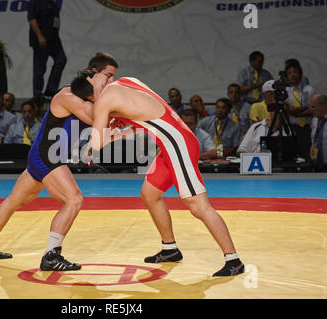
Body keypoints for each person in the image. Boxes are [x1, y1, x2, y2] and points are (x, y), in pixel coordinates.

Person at [71, 72, 245, 277]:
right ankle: (170, 248)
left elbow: (98, 142)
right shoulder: (129, 82)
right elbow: (142, 124)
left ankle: (233, 259)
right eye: (98, 77)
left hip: (177, 145)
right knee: (149, 194)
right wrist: (114, 131)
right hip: (170, 144)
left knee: (198, 206)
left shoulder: (104, 100)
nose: (105, 77)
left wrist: (91, 144)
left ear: (89, 98)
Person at [0, 52, 119, 272]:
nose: (112, 81)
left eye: (113, 77)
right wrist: (103, 92)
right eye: (108, 76)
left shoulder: (89, 97)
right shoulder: (68, 96)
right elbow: (97, 119)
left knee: (14, 201)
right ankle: (51, 256)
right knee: (74, 200)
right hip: (46, 156)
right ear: (94, 73)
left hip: (43, 156)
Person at [27, 0, 67, 101]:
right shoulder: (35, 2)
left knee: (61, 60)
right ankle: (37, 94)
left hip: (54, 39)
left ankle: (50, 91)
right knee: (40, 68)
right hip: (41, 39)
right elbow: (32, 19)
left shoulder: (53, 3)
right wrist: (40, 36)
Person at [284, 62, 314, 159]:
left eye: (295, 72)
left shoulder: (308, 89)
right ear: (287, 76)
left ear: (300, 74)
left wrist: (296, 113)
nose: (292, 74)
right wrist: (303, 108)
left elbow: (312, 109)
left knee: (307, 154)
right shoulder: (286, 91)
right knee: (292, 155)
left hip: (306, 127)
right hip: (292, 127)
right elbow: (288, 110)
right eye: (289, 73)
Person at [309, 93, 327, 171]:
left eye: (313, 107)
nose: (310, 110)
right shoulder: (314, 120)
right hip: (316, 165)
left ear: (323, 106)